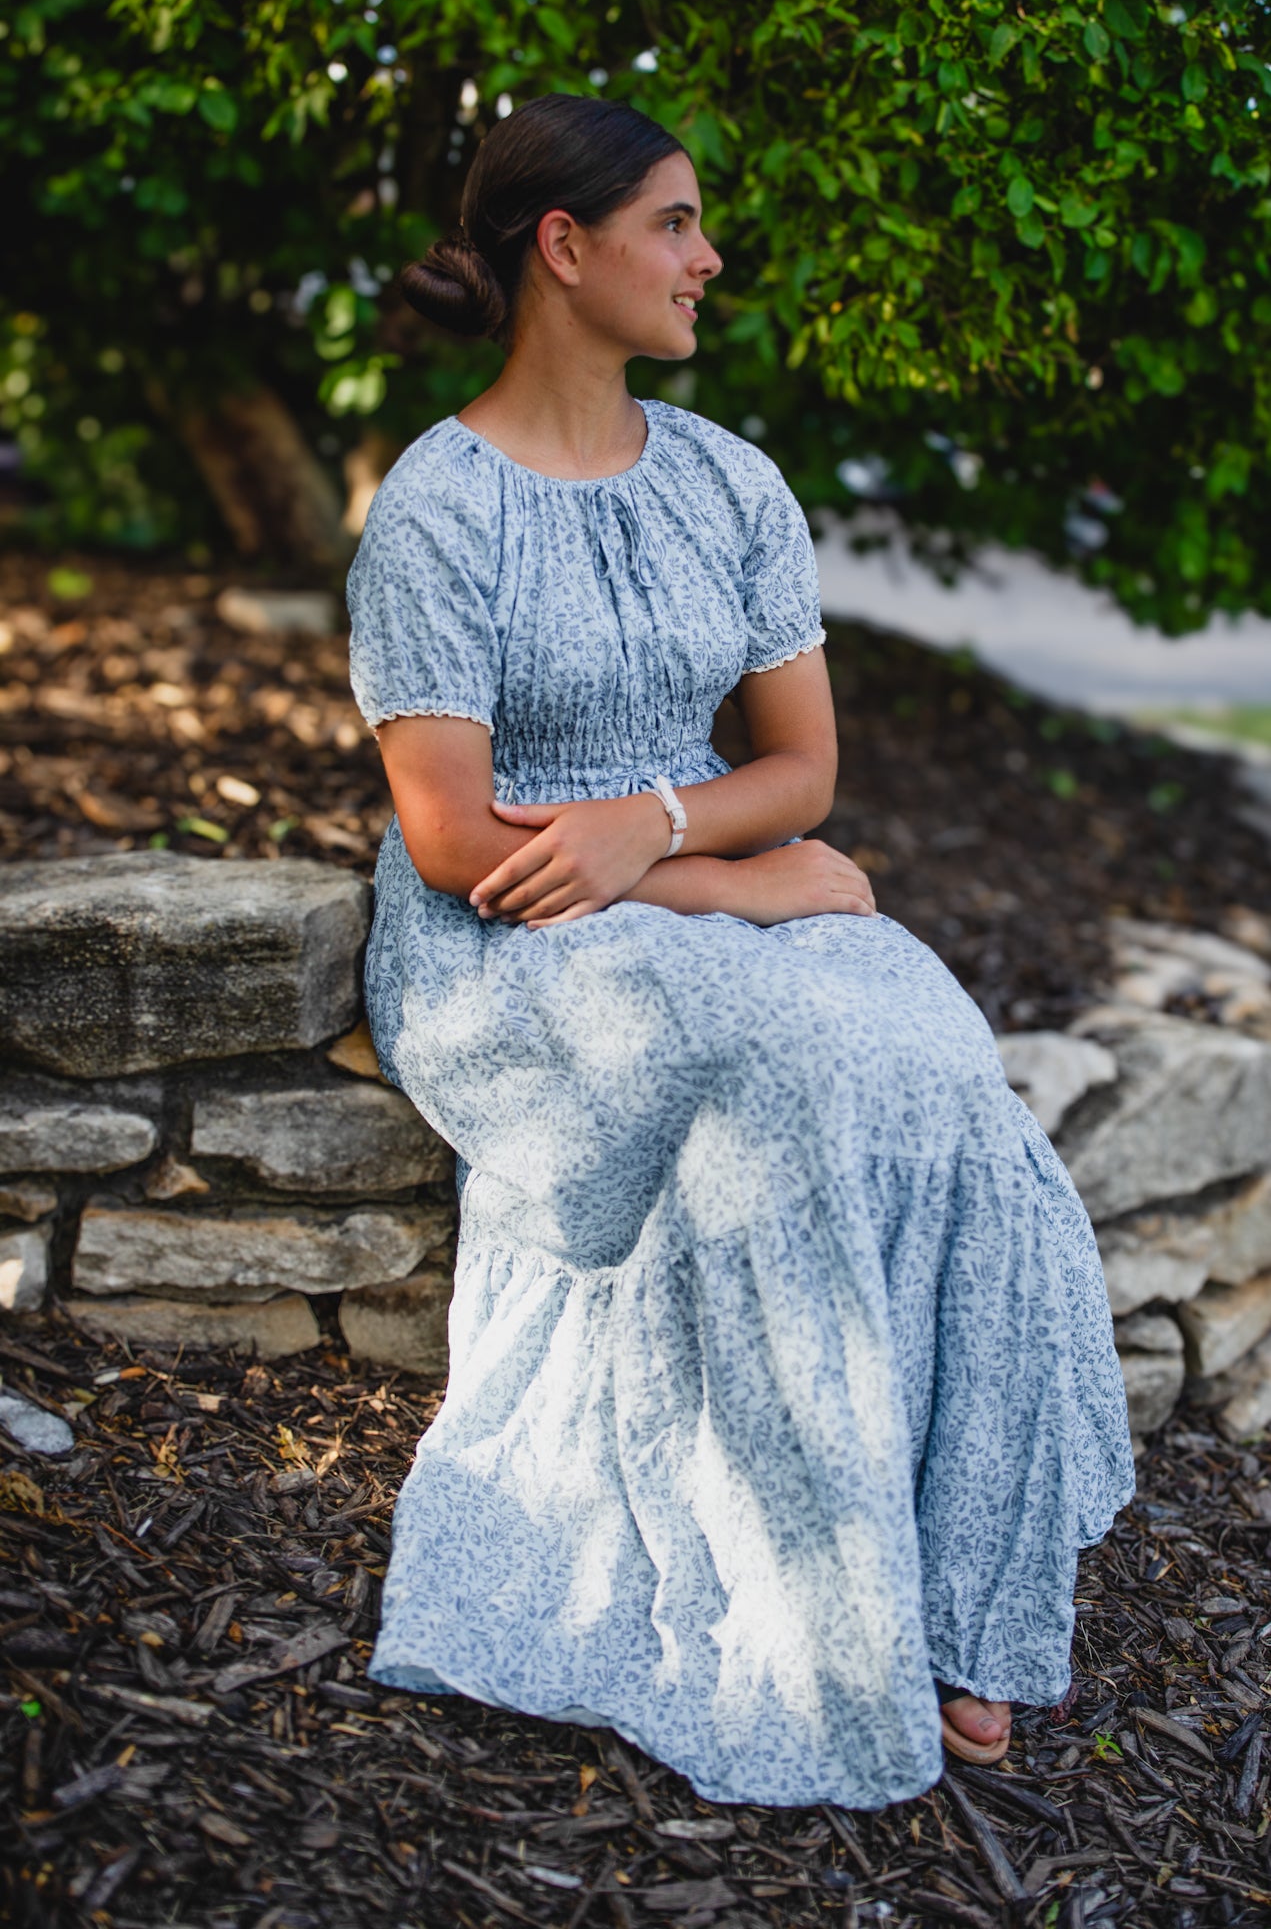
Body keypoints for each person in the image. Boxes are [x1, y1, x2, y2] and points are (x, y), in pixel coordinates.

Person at [347, 93, 1134, 1809]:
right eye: (678, 224)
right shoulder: (435, 510)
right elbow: (458, 841)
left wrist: (676, 829)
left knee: (930, 1051)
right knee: (775, 1065)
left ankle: (962, 1582)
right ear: (566, 248)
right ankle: (817, 1613)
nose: (710, 261)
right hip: (510, 946)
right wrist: (717, 875)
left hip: (686, 866)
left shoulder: (729, 483)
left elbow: (803, 771)